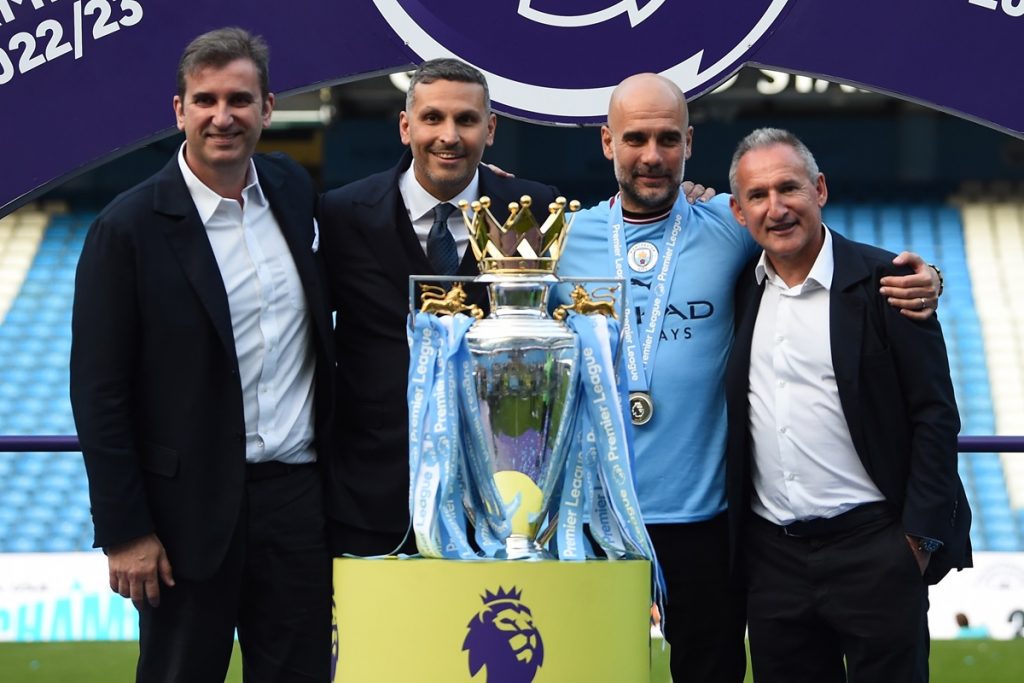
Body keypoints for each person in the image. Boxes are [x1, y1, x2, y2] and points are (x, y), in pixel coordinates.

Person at [554, 74, 943, 682]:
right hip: (598, 516)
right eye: (635, 139)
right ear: (608, 143)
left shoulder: (730, 225)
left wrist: (926, 277)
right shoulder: (561, 241)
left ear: (689, 142)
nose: (651, 156)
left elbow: (815, 241)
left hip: (706, 522)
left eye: (666, 138)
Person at [70, 27, 334, 682]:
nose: (224, 116)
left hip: (296, 502)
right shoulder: (125, 229)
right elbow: (99, 392)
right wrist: (125, 531)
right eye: (206, 99)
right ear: (179, 110)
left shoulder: (291, 189)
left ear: (268, 108)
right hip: (184, 518)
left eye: (240, 99)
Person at [724, 127, 972, 682]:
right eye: (758, 196)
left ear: (821, 190)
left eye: (789, 188)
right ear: (739, 213)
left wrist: (916, 541)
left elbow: (935, 414)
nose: (777, 207)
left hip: (878, 550)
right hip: (774, 560)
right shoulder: (735, 287)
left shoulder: (891, 284)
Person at [317, 58, 560, 556]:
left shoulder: (533, 209)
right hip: (372, 497)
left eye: (466, 120)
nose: (448, 135)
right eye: (432, 118)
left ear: (489, 130)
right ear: (406, 127)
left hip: (502, 498)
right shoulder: (341, 213)